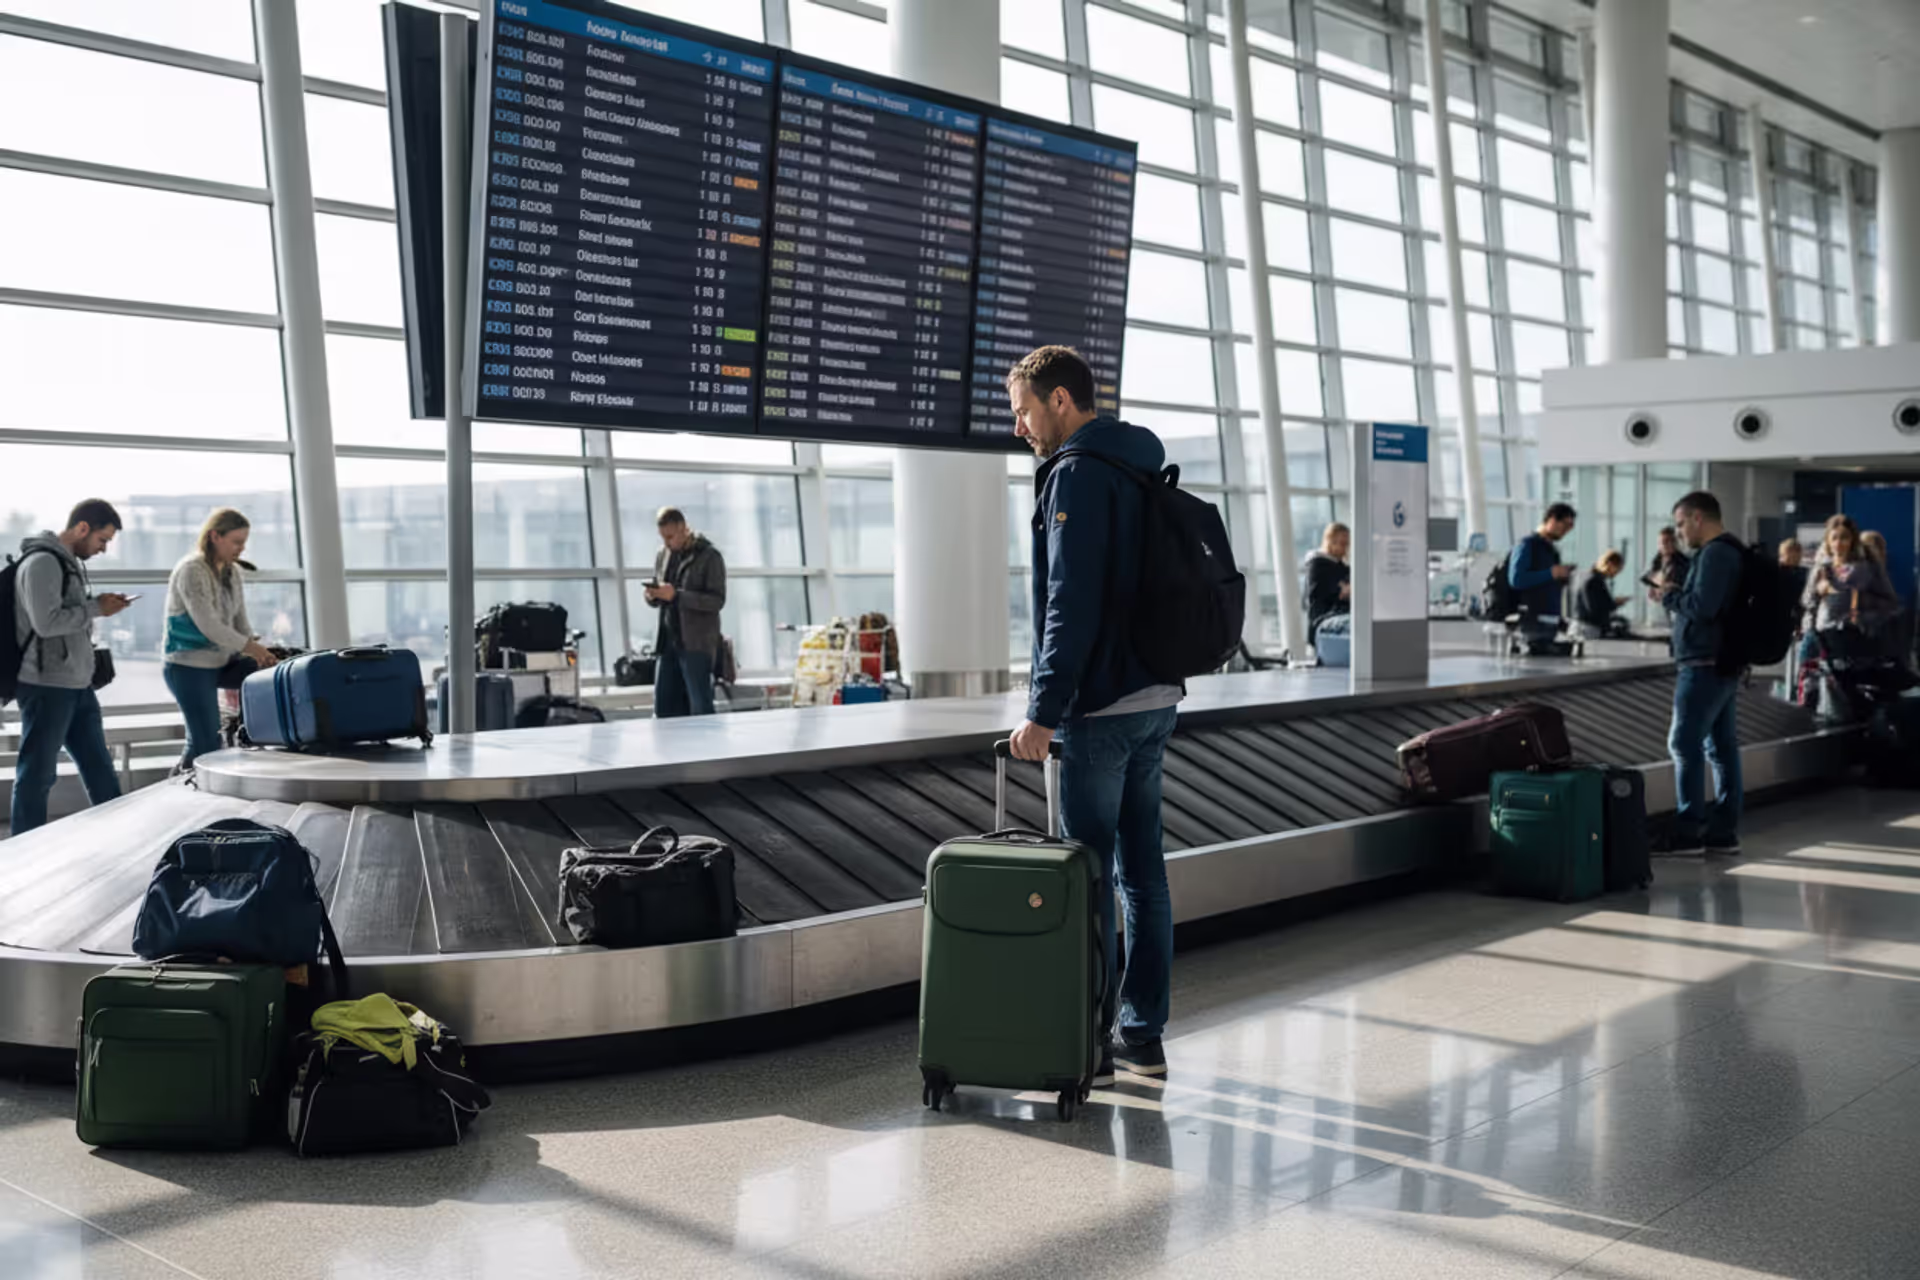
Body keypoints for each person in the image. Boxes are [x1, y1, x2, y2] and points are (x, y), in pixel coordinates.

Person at [1005, 344, 1177, 1085]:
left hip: (1099, 708)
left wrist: (1043, 711)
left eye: (1024, 411)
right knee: (1144, 876)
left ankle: (1089, 1042)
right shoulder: (1140, 464)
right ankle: (1143, 1033)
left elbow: (1067, 603)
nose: (1020, 427)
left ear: (1060, 400)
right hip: (1156, 697)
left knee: (1088, 877)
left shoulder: (1076, 473)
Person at [9, 500, 132, 835]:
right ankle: (24, 851)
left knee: (100, 769)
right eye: (102, 540)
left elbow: (71, 618)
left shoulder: (68, 564)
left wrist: (98, 607)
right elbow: (45, 623)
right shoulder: (42, 563)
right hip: (46, 685)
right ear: (82, 528)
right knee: (37, 775)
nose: (103, 549)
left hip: (77, 685)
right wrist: (96, 609)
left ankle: (121, 840)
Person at [1655, 491, 1744, 857]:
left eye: (1680, 524)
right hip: (1719, 660)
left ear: (1697, 518)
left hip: (1703, 663)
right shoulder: (1731, 550)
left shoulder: (1715, 553)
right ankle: (1723, 832)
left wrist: (1669, 596)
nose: (1679, 533)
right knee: (1720, 747)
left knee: (1684, 744)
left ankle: (1689, 830)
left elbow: (1703, 607)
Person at [163, 508, 280, 769]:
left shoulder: (232, 572)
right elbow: (209, 625)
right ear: (215, 536)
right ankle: (180, 787)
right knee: (204, 742)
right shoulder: (191, 570)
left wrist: (258, 651)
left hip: (223, 661)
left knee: (271, 672)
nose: (241, 549)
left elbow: (240, 620)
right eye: (236, 542)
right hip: (188, 666)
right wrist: (250, 646)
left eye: (244, 542)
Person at [644, 506, 726, 718]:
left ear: (683, 528)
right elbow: (662, 592)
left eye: (670, 537)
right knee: (663, 708)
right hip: (667, 641)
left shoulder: (709, 556)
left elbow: (716, 601)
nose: (666, 543)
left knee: (700, 707)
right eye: (663, 537)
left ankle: (709, 740)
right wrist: (653, 596)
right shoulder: (663, 555)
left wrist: (677, 596)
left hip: (695, 643)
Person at [1800, 514, 1898, 663]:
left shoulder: (1868, 568)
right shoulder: (1821, 568)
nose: (1838, 543)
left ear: (1853, 540)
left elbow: (1889, 603)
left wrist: (1860, 609)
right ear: (1828, 541)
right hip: (1821, 637)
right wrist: (1818, 590)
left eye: (1844, 538)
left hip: (1854, 638)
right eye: (1834, 538)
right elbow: (1807, 601)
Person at [1508, 503, 1577, 644]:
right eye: (1565, 525)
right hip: (1533, 623)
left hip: (1550, 622)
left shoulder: (1551, 550)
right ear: (1552, 519)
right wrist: (1551, 573)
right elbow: (1516, 579)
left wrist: (1562, 577)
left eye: (1570, 527)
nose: (1567, 531)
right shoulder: (1528, 544)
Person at [1302, 522, 1351, 644]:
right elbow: (1318, 594)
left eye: (1346, 544)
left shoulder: (1343, 567)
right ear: (1330, 541)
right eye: (1341, 543)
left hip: (1338, 615)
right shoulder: (1317, 565)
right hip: (1324, 619)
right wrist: (1341, 591)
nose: (1344, 548)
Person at [1576, 550, 1630, 637]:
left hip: (1589, 627)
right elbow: (1594, 609)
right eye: (1618, 568)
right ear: (1610, 564)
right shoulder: (1593, 581)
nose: (1617, 573)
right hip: (1590, 629)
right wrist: (1615, 603)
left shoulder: (1594, 578)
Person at [1651, 525, 1692, 590]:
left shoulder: (1684, 562)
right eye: (1664, 542)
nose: (1669, 544)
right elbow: (1653, 585)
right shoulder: (1656, 561)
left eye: (1672, 541)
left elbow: (1686, 586)